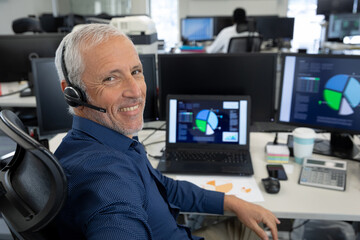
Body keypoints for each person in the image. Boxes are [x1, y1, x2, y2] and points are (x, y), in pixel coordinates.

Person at [54, 23, 279, 240]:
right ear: (72, 92)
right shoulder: (105, 177)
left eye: (135, 71)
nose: (136, 91)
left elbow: (162, 187)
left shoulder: (112, 140)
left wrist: (230, 201)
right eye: (110, 78)